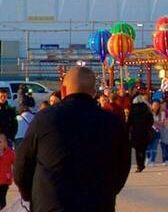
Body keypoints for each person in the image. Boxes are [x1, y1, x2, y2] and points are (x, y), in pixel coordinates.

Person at [16, 67, 132, 212]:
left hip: (51, 203)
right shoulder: (113, 122)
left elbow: (22, 165)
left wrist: (31, 194)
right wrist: (108, 192)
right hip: (98, 203)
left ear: (63, 90)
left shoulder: (45, 119)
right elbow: (123, 166)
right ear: (94, 92)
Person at [127, 97, 154, 172]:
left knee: (137, 149)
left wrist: (127, 130)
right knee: (143, 149)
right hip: (145, 131)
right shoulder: (147, 109)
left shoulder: (133, 110)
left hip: (135, 132)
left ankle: (139, 165)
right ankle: (142, 163)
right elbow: (151, 121)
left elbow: (129, 121)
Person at [153, 101, 168, 166]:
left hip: (167, 130)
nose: (164, 106)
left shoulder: (165, 112)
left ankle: (166, 160)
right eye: (163, 105)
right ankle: (164, 160)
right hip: (161, 131)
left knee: (167, 147)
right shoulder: (159, 112)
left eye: (165, 105)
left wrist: (167, 122)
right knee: (163, 147)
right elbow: (160, 122)